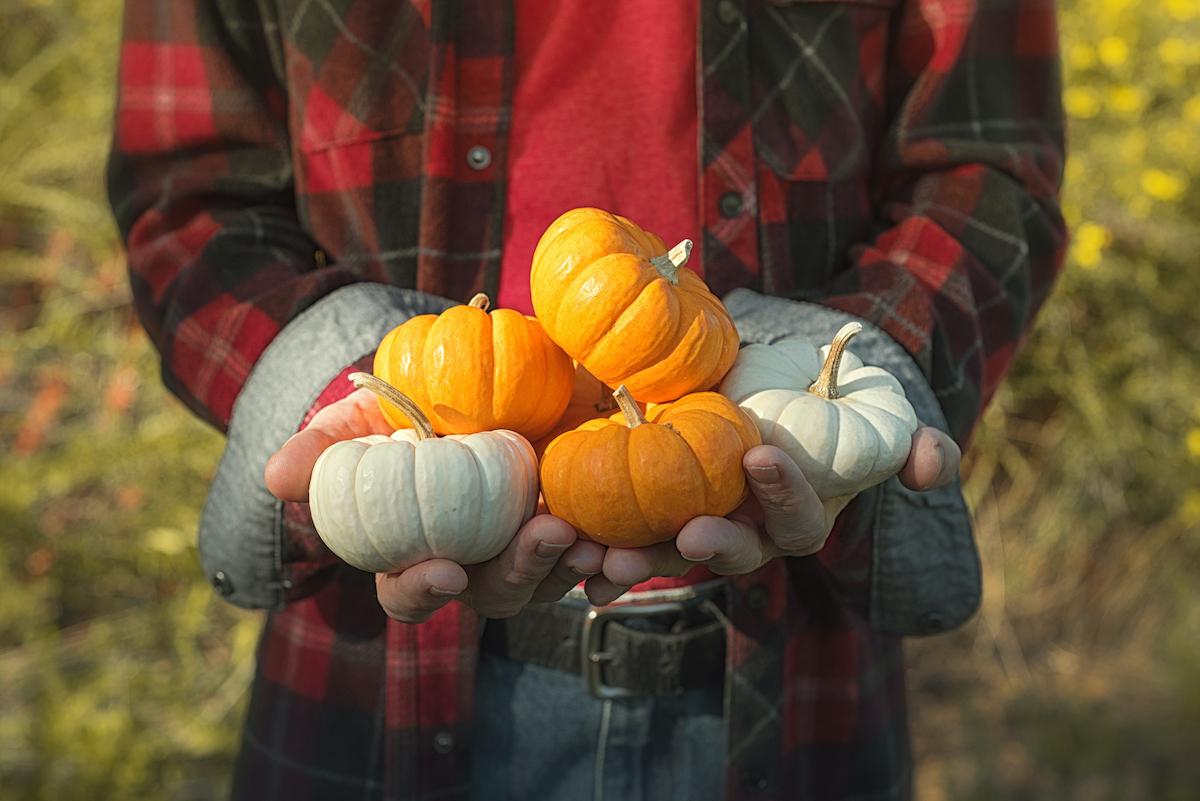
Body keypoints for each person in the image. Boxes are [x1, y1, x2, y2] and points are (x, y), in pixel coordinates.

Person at [107, 1, 1065, 799]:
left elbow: (990, 171)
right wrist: (358, 395)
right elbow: (188, 198)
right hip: (371, 682)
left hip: (791, 665)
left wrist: (851, 376)